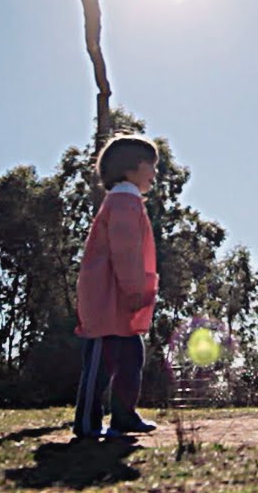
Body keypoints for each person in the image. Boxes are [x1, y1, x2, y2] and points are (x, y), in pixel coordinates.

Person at [72, 134, 161, 439]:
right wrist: (135, 289)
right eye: (151, 165)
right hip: (108, 299)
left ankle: (123, 418)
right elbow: (125, 250)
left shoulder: (129, 201)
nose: (155, 173)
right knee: (100, 363)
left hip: (121, 298)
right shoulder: (123, 202)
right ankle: (87, 424)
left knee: (131, 357)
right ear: (131, 167)